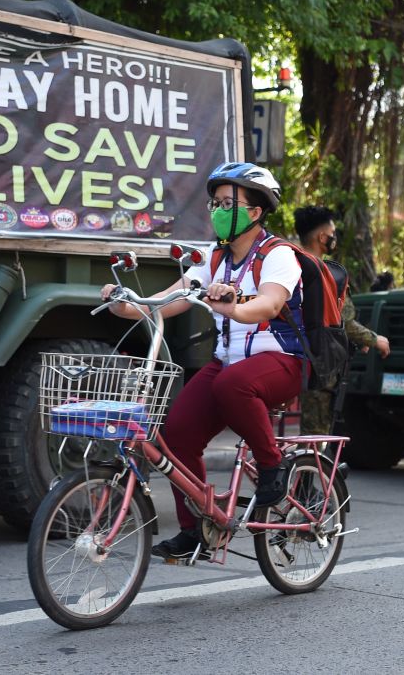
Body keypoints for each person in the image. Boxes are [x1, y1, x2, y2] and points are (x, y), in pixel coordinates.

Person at [101, 162, 302, 559]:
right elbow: (171, 299)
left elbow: (269, 303)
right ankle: (198, 528)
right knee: (175, 437)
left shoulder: (279, 255)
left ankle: (272, 465)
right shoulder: (213, 258)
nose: (218, 211)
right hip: (228, 365)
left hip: (281, 361)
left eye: (229, 203)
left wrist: (232, 305)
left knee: (232, 384)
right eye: (215, 203)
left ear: (256, 211)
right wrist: (124, 303)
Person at [292, 205, 390, 434]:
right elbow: (342, 322)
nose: (334, 238)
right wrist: (376, 340)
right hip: (318, 365)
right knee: (315, 439)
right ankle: (307, 471)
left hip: (288, 358)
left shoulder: (289, 263)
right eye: (332, 233)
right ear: (322, 237)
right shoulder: (325, 273)